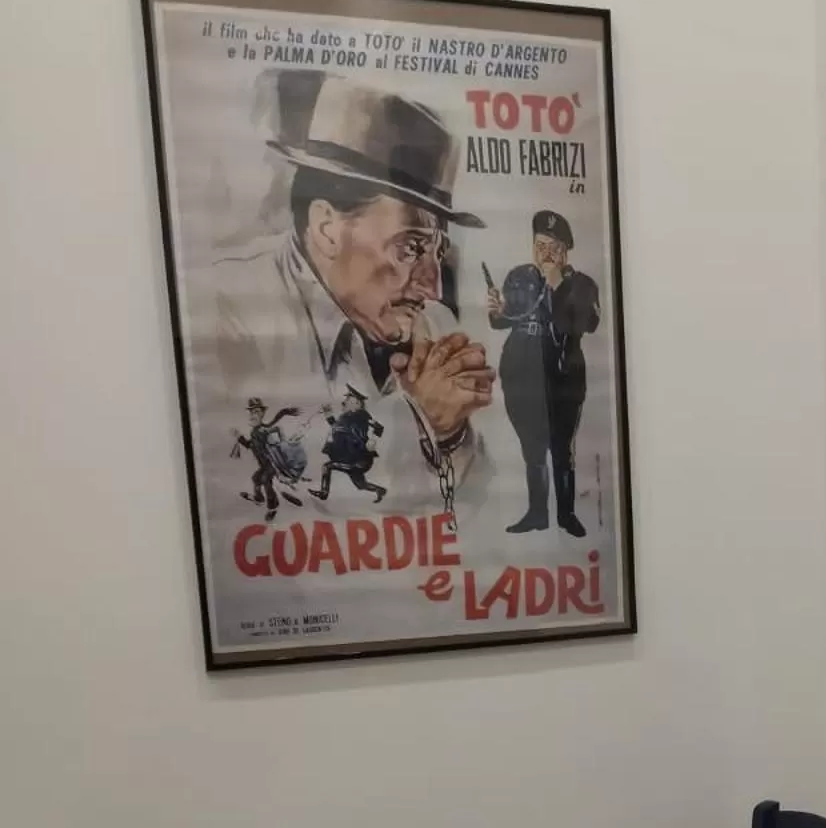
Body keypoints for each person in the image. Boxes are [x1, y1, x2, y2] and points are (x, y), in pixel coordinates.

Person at [207, 75, 495, 515]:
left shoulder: (434, 326)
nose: (432, 285)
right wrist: (422, 420)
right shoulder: (227, 310)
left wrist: (453, 432)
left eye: (437, 251)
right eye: (411, 247)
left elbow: (479, 505)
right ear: (328, 228)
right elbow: (279, 509)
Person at [486, 209, 601, 537]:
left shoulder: (581, 284)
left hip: (564, 379)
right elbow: (505, 319)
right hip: (522, 378)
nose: (545, 253)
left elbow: (589, 324)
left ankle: (566, 516)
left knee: (562, 450)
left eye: (553, 246)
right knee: (532, 450)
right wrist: (496, 312)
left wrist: (559, 286)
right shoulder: (519, 277)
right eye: (540, 244)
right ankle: (537, 514)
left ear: (566, 250)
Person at [309, 386, 386, 503]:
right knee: (361, 485)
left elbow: (379, 427)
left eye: (348, 400)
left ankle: (324, 493)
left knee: (327, 466)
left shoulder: (362, 415)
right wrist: (328, 414)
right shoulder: (344, 417)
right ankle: (380, 490)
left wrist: (373, 440)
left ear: (357, 403)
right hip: (350, 458)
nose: (343, 402)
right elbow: (337, 428)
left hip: (359, 460)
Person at [232, 398, 303, 519]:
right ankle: (259, 498)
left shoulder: (263, 430)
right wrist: (240, 438)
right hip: (264, 464)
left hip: (272, 463)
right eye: (252, 412)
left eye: (257, 412)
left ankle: (273, 507)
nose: (254, 414)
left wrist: (285, 412)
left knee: (265, 479)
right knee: (255, 478)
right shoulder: (255, 432)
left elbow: (273, 427)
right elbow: (250, 446)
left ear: (262, 413)